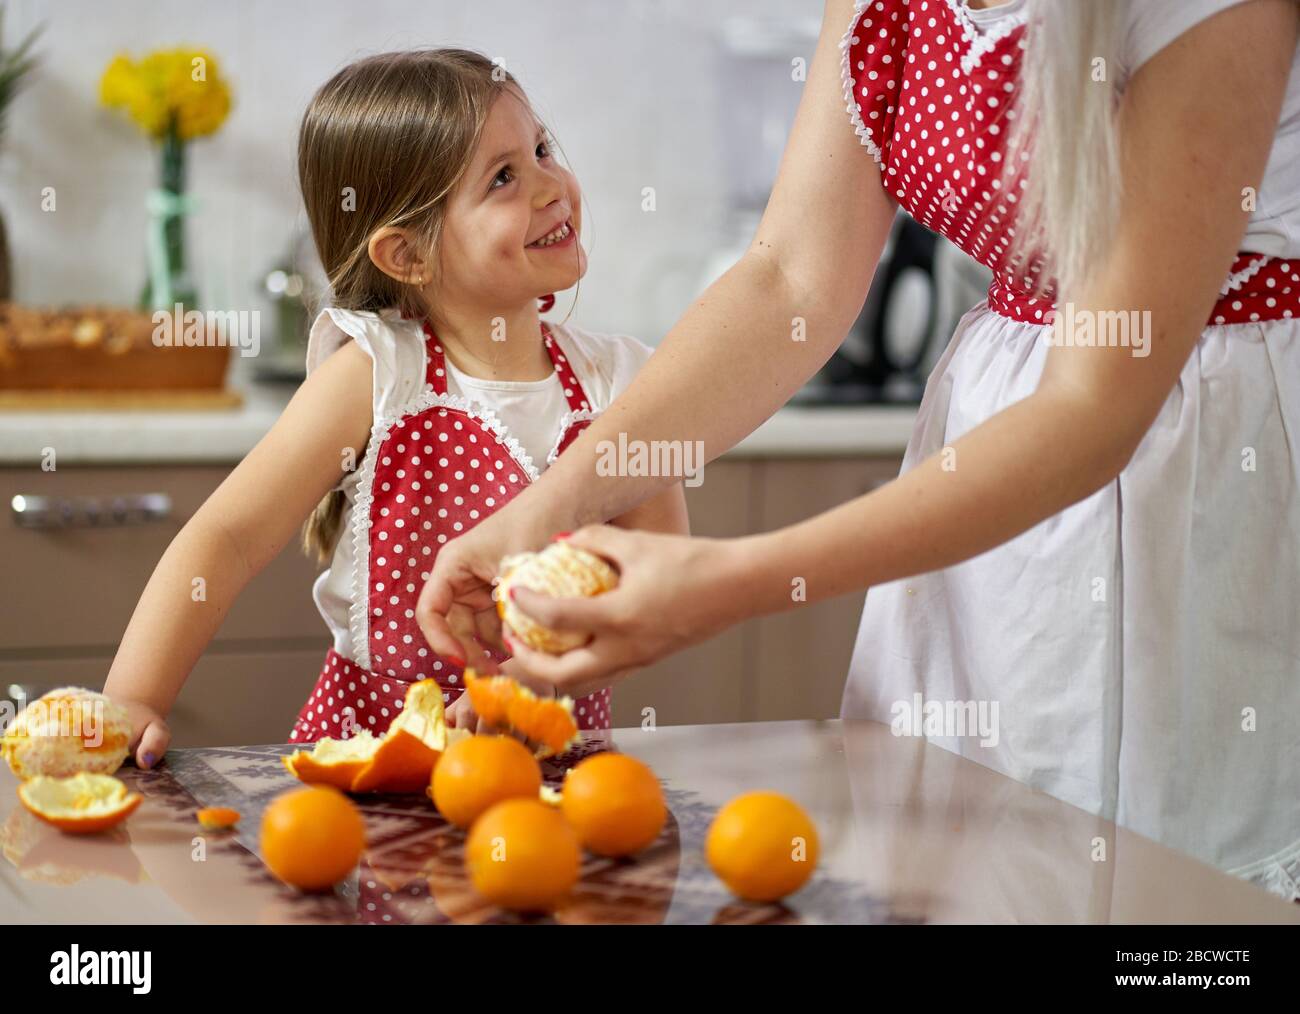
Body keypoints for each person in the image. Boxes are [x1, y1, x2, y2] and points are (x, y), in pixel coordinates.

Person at [417, 0, 1300, 897]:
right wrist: (544, 509)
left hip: (1199, 469)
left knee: (1165, 898)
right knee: (963, 873)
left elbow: (1095, 407)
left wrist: (729, 583)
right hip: (989, 469)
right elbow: (792, 278)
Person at [103, 49, 687, 756]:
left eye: (541, 149)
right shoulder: (377, 374)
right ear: (408, 255)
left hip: (557, 775)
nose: (550, 186)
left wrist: (533, 683)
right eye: (503, 177)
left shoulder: (619, 382)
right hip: (371, 779)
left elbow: (659, 577)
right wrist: (131, 700)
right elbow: (224, 540)